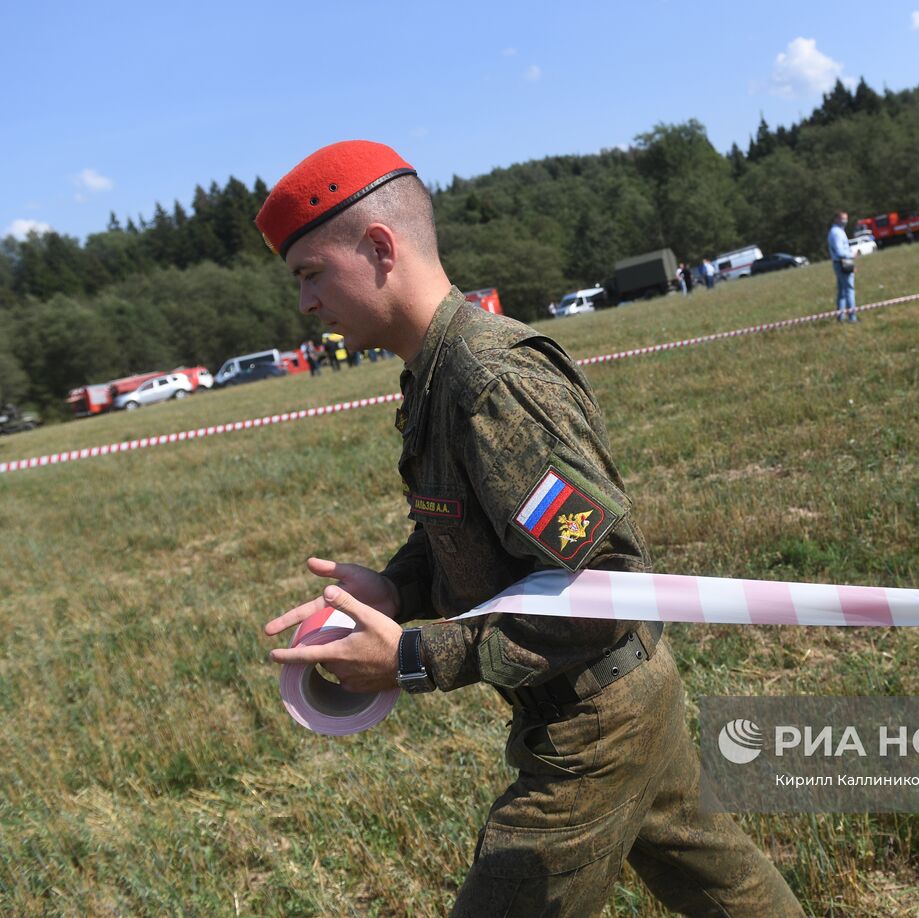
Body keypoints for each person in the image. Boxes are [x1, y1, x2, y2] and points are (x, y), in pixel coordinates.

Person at [257, 141, 801, 917]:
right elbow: (466, 525)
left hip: (596, 721)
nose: (306, 303)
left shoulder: (489, 382)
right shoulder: (434, 376)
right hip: (612, 695)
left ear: (379, 247)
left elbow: (607, 588)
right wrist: (395, 586)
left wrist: (414, 657)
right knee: (724, 889)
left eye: (311, 274)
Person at [827, 211, 857, 322]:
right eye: (842, 218)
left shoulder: (839, 231)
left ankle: (841, 317)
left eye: (846, 218)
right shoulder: (836, 233)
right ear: (836, 219)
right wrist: (851, 255)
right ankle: (852, 317)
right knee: (849, 290)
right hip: (842, 262)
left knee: (842, 292)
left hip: (842, 262)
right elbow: (840, 251)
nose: (845, 221)